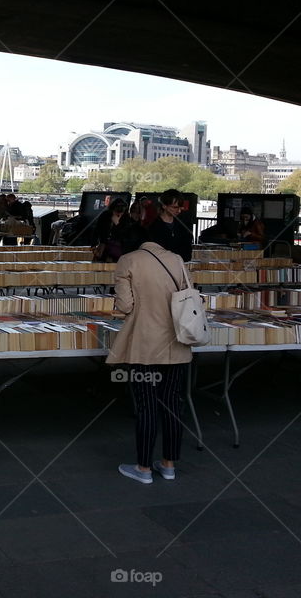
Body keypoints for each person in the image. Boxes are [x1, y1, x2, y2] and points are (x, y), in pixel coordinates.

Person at [107, 234, 193, 485]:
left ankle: (143, 467)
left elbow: (125, 306)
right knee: (172, 403)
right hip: (176, 342)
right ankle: (169, 465)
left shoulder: (128, 260)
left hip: (144, 344)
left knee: (146, 405)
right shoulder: (177, 260)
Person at [147, 189, 192, 262]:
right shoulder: (153, 227)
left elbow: (188, 252)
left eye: (180, 207)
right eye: (175, 207)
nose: (179, 211)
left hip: (179, 265)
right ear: (164, 206)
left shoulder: (183, 226)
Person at [92, 198, 130, 263]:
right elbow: (96, 230)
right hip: (103, 245)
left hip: (118, 248)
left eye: (122, 211)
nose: (119, 213)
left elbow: (125, 235)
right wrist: (93, 246)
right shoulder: (105, 215)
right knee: (99, 264)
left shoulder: (126, 218)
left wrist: (117, 224)